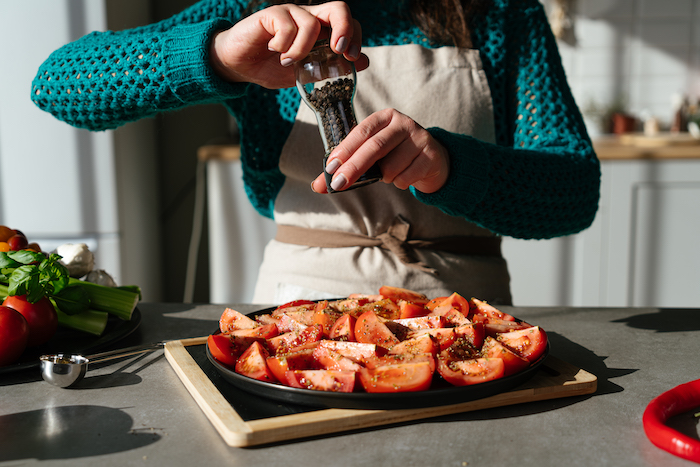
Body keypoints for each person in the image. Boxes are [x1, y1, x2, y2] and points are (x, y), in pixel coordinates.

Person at [31, 0, 600, 305]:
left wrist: (450, 166)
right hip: (297, 308)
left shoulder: (501, 13)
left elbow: (574, 193)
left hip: (464, 314)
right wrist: (218, 56)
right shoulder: (250, 8)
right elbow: (59, 85)